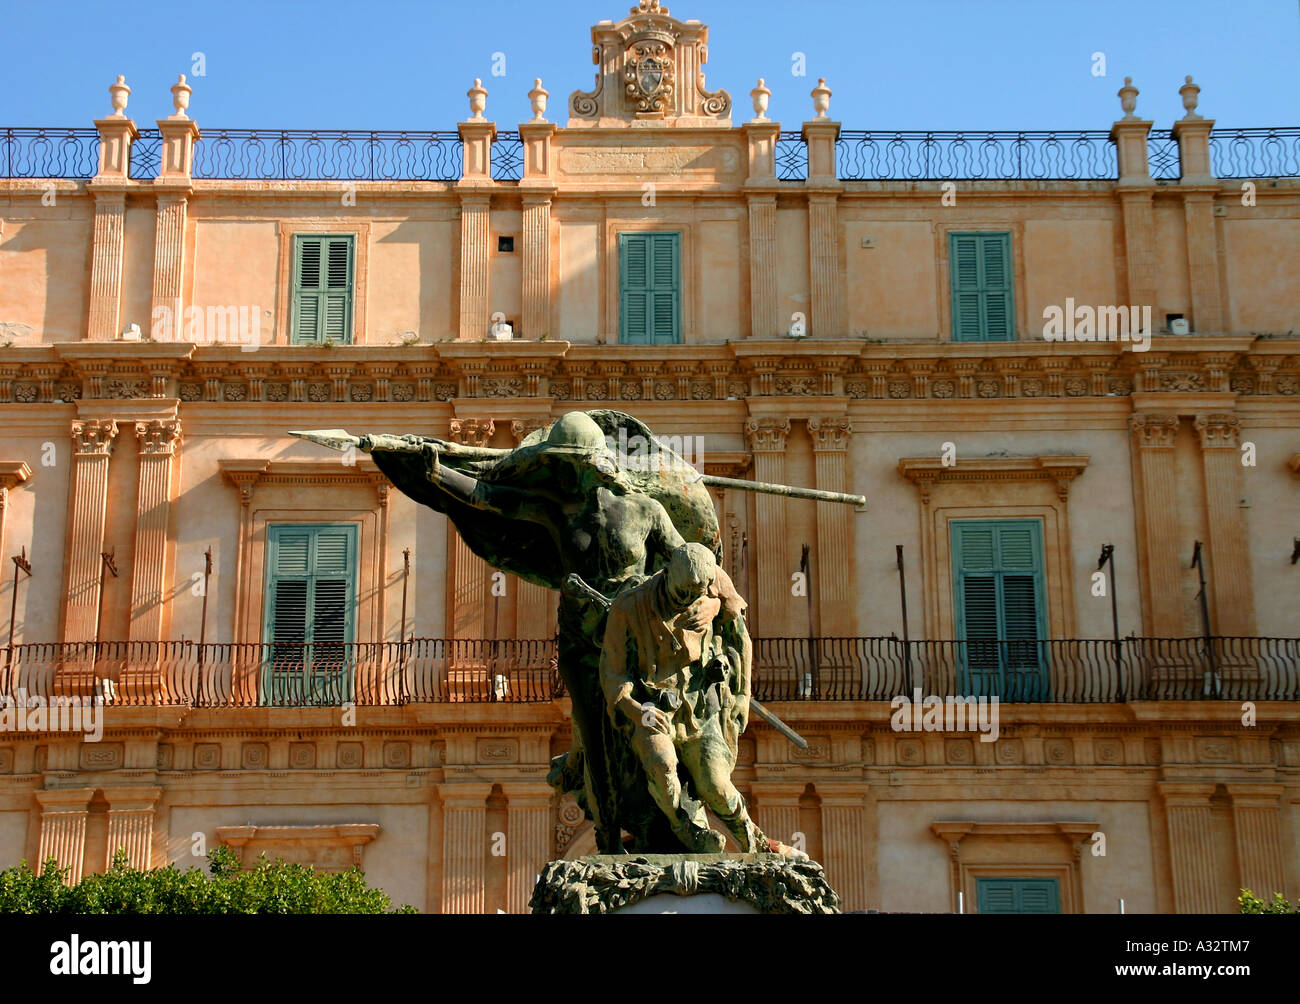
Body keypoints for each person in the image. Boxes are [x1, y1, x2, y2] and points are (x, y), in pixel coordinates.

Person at [599, 542, 779, 854]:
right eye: (682, 592)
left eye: (695, 592)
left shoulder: (712, 595)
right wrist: (636, 709)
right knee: (662, 766)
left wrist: (741, 695)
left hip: (700, 710)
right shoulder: (629, 607)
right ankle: (684, 825)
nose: (686, 600)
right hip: (653, 711)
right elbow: (613, 674)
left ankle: (757, 841)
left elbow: (741, 640)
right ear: (666, 573)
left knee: (716, 786)